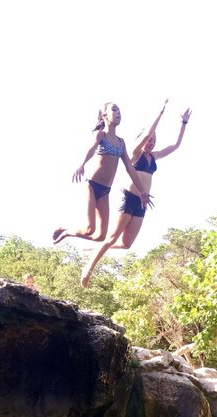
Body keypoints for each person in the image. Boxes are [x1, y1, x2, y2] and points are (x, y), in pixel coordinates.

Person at [80, 100, 191, 288]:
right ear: (142, 140)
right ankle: (88, 270)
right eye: (149, 139)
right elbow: (147, 132)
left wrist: (183, 124)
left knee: (126, 244)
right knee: (113, 237)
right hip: (129, 197)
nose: (151, 142)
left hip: (142, 203)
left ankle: (96, 247)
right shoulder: (134, 153)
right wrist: (160, 114)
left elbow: (176, 146)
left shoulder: (154, 157)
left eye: (154, 141)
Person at [53, 102, 151, 245]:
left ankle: (67, 232)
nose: (118, 113)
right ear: (104, 115)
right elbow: (91, 149)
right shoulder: (101, 135)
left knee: (100, 236)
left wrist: (142, 191)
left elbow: (130, 168)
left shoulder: (121, 143)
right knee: (89, 229)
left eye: (119, 110)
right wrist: (82, 164)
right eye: (114, 109)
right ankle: (65, 229)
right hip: (91, 186)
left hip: (105, 191)